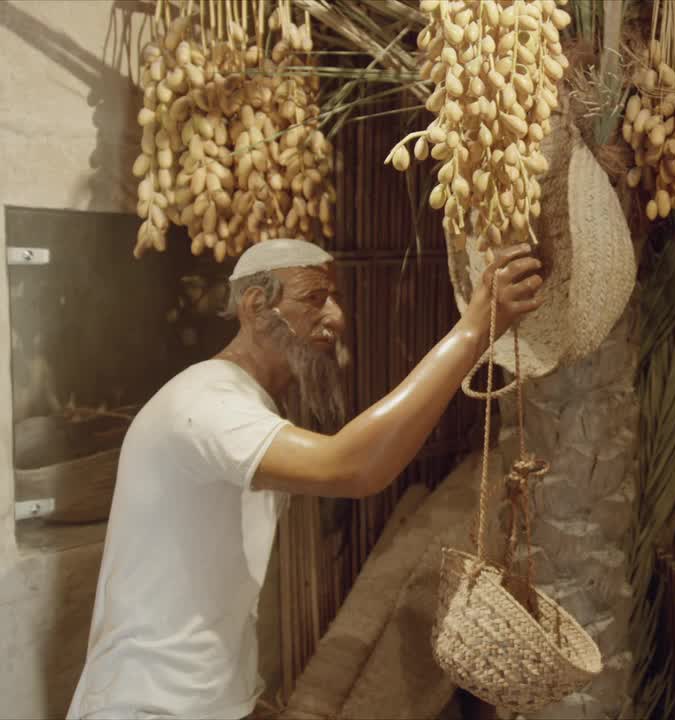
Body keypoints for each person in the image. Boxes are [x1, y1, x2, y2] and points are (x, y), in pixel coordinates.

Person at [68, 238, 543, 719]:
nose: (335, 318)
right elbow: (351, 467)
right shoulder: (205, 404)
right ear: (256, 306)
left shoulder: (244, 402)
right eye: (314, 299)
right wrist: (472, 333)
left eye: (334, 299)